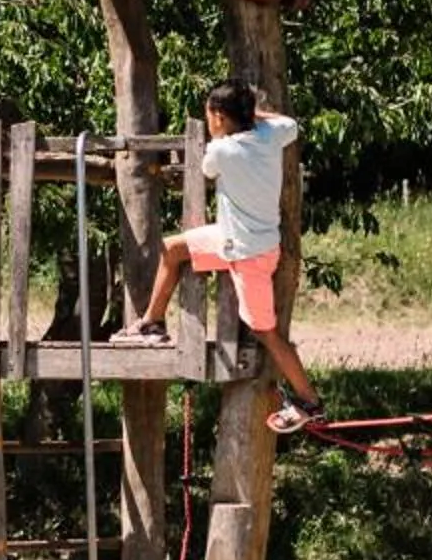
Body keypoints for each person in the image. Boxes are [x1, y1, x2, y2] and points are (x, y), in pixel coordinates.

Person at [124, 79, 325, 430]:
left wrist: (236, 122)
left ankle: (310, 400)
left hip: (249, 254)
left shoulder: (223, 151)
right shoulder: (270, 135)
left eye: (209, 113)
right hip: (234, 239)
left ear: (218, 116)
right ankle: (151, 322)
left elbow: (207, 170)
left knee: (267, 332)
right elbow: (289, 123)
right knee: (172, 250)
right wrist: (252, 114)